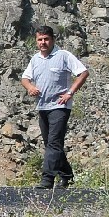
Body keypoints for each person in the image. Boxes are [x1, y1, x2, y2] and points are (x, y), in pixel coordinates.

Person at [20, 25, 89, 189]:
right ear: (36, 41)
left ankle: (47, 179)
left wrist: (70, 93)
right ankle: (67, 175)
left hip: (60, 106)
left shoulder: (63, 55)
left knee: (54, 143)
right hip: (42, 106)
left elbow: (83, 73)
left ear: (52, 40)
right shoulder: (35, 59)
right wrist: (30, 87)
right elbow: (25, 78)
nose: (43, 42)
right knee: (51, 144)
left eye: (46, 39)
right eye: (40, 39)